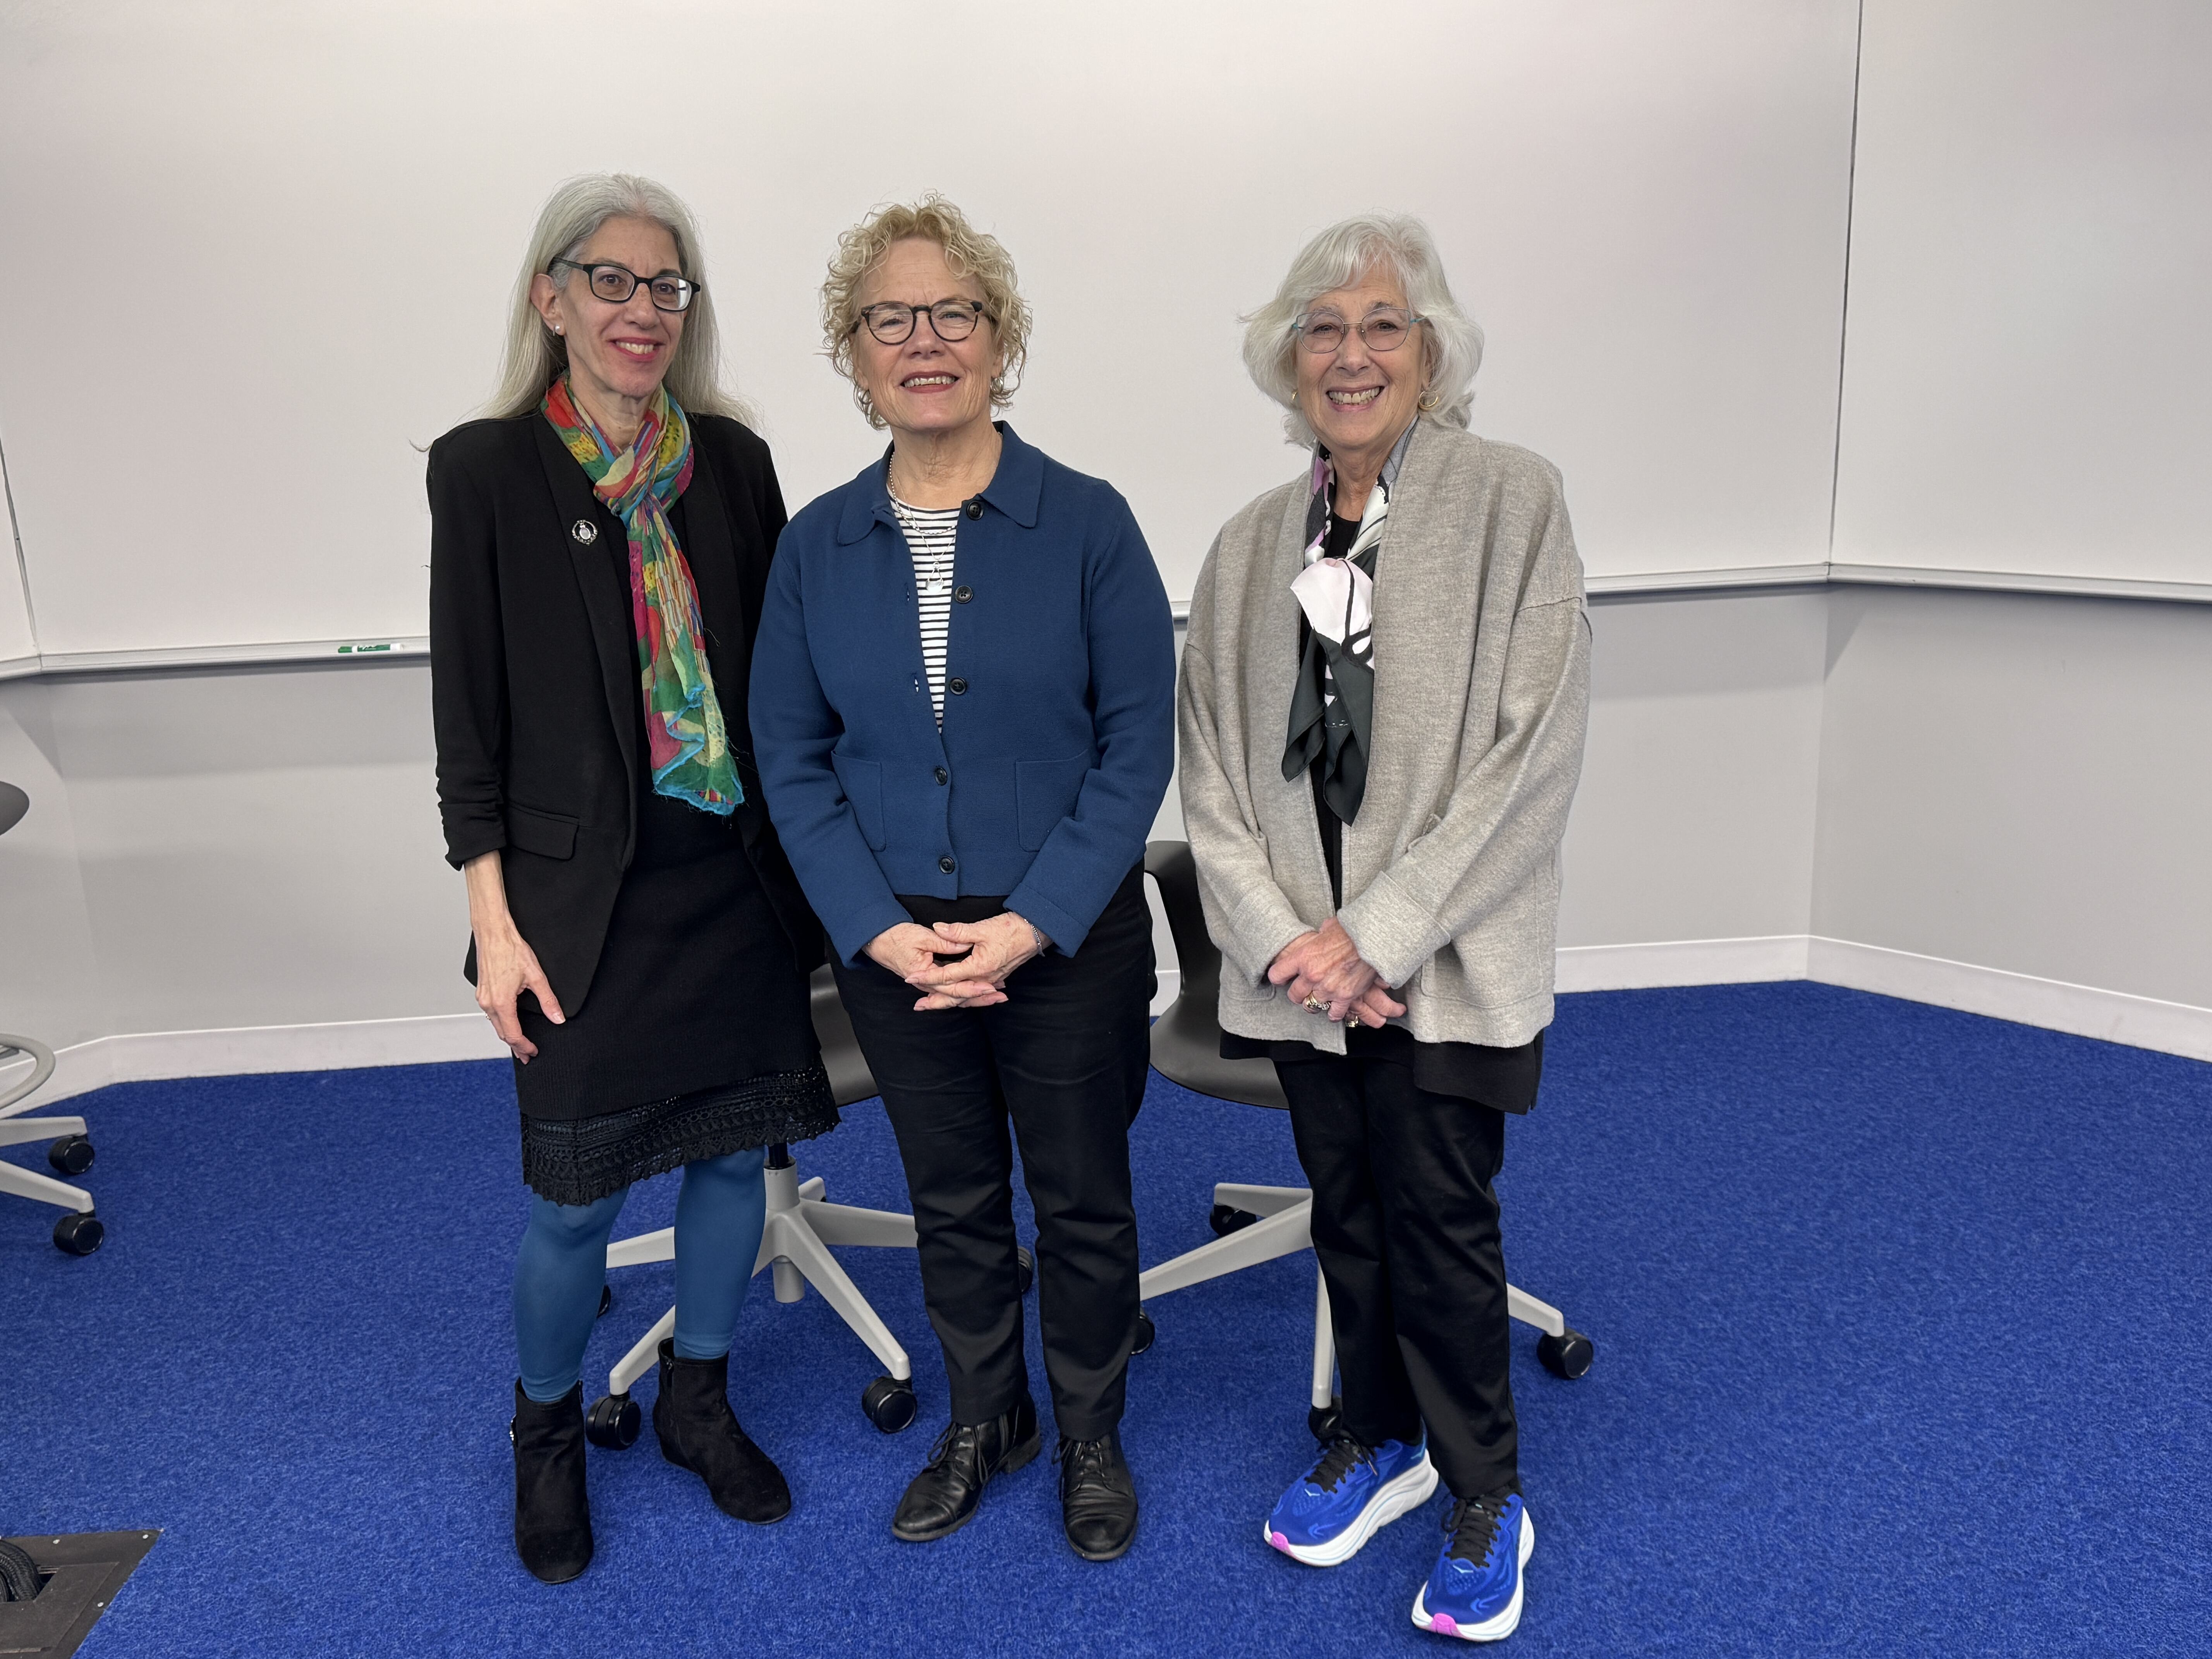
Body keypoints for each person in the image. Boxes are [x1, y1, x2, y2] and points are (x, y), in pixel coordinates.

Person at [1177, 214, 1590, 1642]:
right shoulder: (1246, 549)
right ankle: (1382, 1435)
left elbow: (1529, 758)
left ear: (1434, 352)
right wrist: (1290, 937)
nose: (1350, 355)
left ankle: (1488, 1491)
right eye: (1323, 328)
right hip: (1305, 973)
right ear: (1286, 359)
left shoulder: (1513, 502)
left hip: (1442, 966)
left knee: (1439, 1214)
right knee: (1346, 1206)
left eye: (1383, 325)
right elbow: (1214, 774)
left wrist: (1382, 935)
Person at [749, 196, 1174, 1562]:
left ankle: (1091, 1427)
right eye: (890, 318)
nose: (923, 340)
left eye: (954, 314)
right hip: (898, 953)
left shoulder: (1091, 523)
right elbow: (790, 756)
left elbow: (1135, 746)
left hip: (1064, 936)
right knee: (953, 1197)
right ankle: (990, 1417)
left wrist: (1030, 924)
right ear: (854, 352)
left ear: (1000, 340)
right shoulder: (816, 547)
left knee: (1081, 1194)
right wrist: (874, 931)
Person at [428, 174, 838, 1584]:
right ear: (551, 298)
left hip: (732, 877)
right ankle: (544, 1434)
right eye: (610, 282)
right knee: (577, 1198)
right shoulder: (484, 472)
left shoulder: (730, 462)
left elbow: (783, 692)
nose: (642, 312)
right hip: (574, 904)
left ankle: (697, 1397)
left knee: (732, 1154)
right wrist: (489, 921)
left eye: (667, 288)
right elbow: (466, 719)